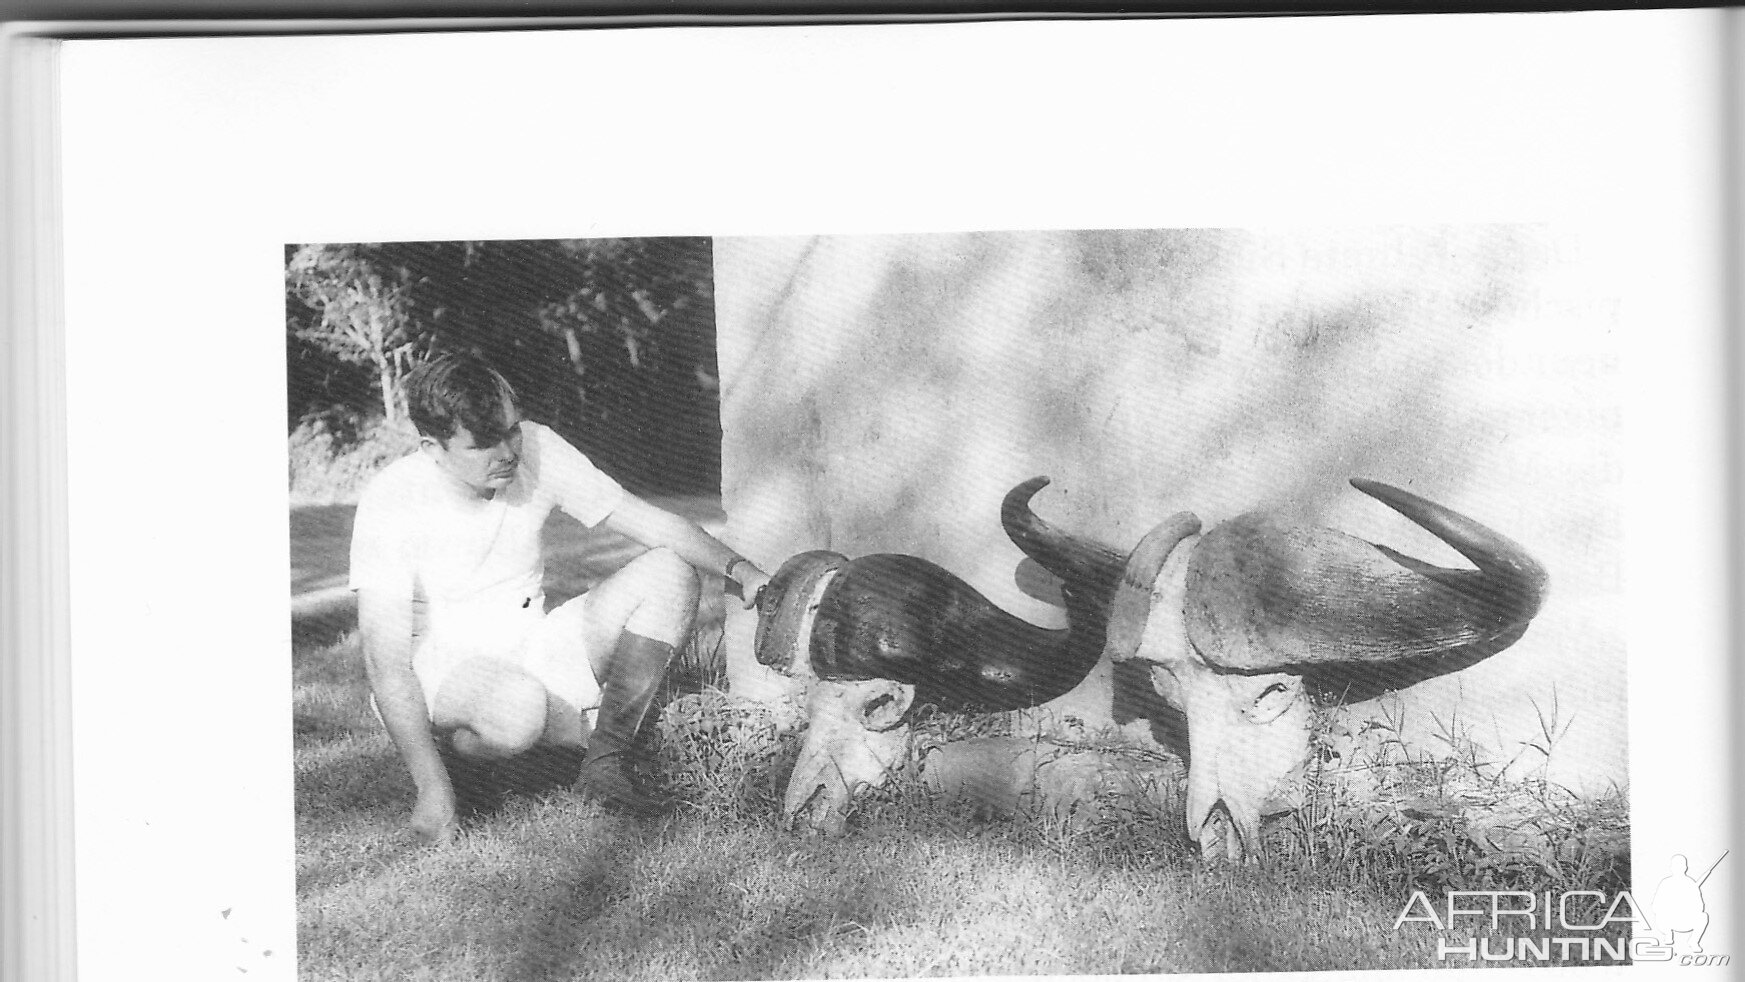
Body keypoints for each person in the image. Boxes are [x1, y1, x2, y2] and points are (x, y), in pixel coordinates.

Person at [349, 352, 771, 843]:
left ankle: (605, 762)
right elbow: (384, 661)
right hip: (442, 667)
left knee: (670, 572)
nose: (506, 452)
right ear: (433, 448)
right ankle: (477, 758)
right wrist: (431, 790)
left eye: (511, 431)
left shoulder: (538, 448)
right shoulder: (393, 498)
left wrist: (744, 569)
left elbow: (646, 520)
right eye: (483, 443)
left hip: (532, 641)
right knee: (517, 710)